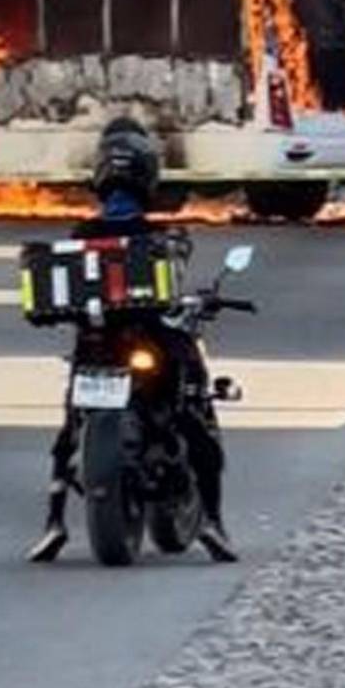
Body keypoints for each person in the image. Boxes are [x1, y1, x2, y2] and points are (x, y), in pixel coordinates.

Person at [27, 118, 237, 564]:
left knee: (68, 429)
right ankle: (215, 522)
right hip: (150, 341)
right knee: (193, 408)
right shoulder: (156, 237)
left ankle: (53, 520)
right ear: (148, 176)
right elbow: (169, 295)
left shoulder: (79, 238)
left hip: (93, 343)